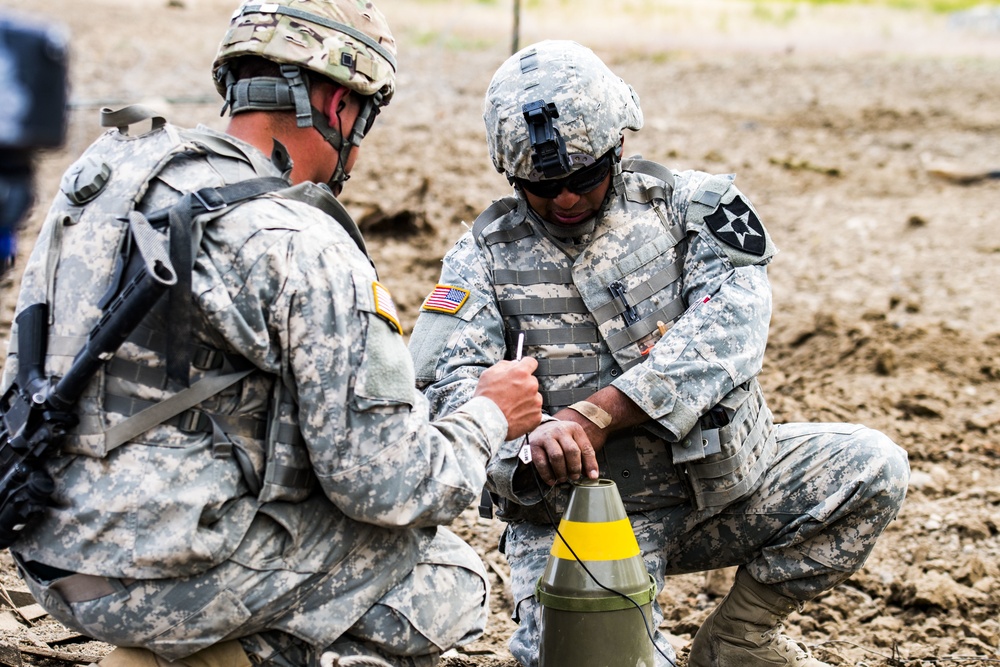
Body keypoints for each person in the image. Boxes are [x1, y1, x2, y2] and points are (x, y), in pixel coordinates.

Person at [0, 1, 543, 666]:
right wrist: (490, 413)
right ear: (338, 105)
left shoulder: (111, 172)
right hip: (158, 582)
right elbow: (391, 484)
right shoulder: (300, 237)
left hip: (49, 555)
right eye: (364, 117)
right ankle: (225, 659)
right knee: (450, 581)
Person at [408, 40, 910, 667]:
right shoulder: (480, 257)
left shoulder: (690, 208)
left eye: (584, 178)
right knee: (590, 655)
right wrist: (529, 447)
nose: (565, 200)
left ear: (619, 146)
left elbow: (731, 329)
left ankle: (741, 639)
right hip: (580, 522)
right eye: (543, 187)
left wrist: (598, 412)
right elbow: (440, 388)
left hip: (720, 490)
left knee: (871, 467)